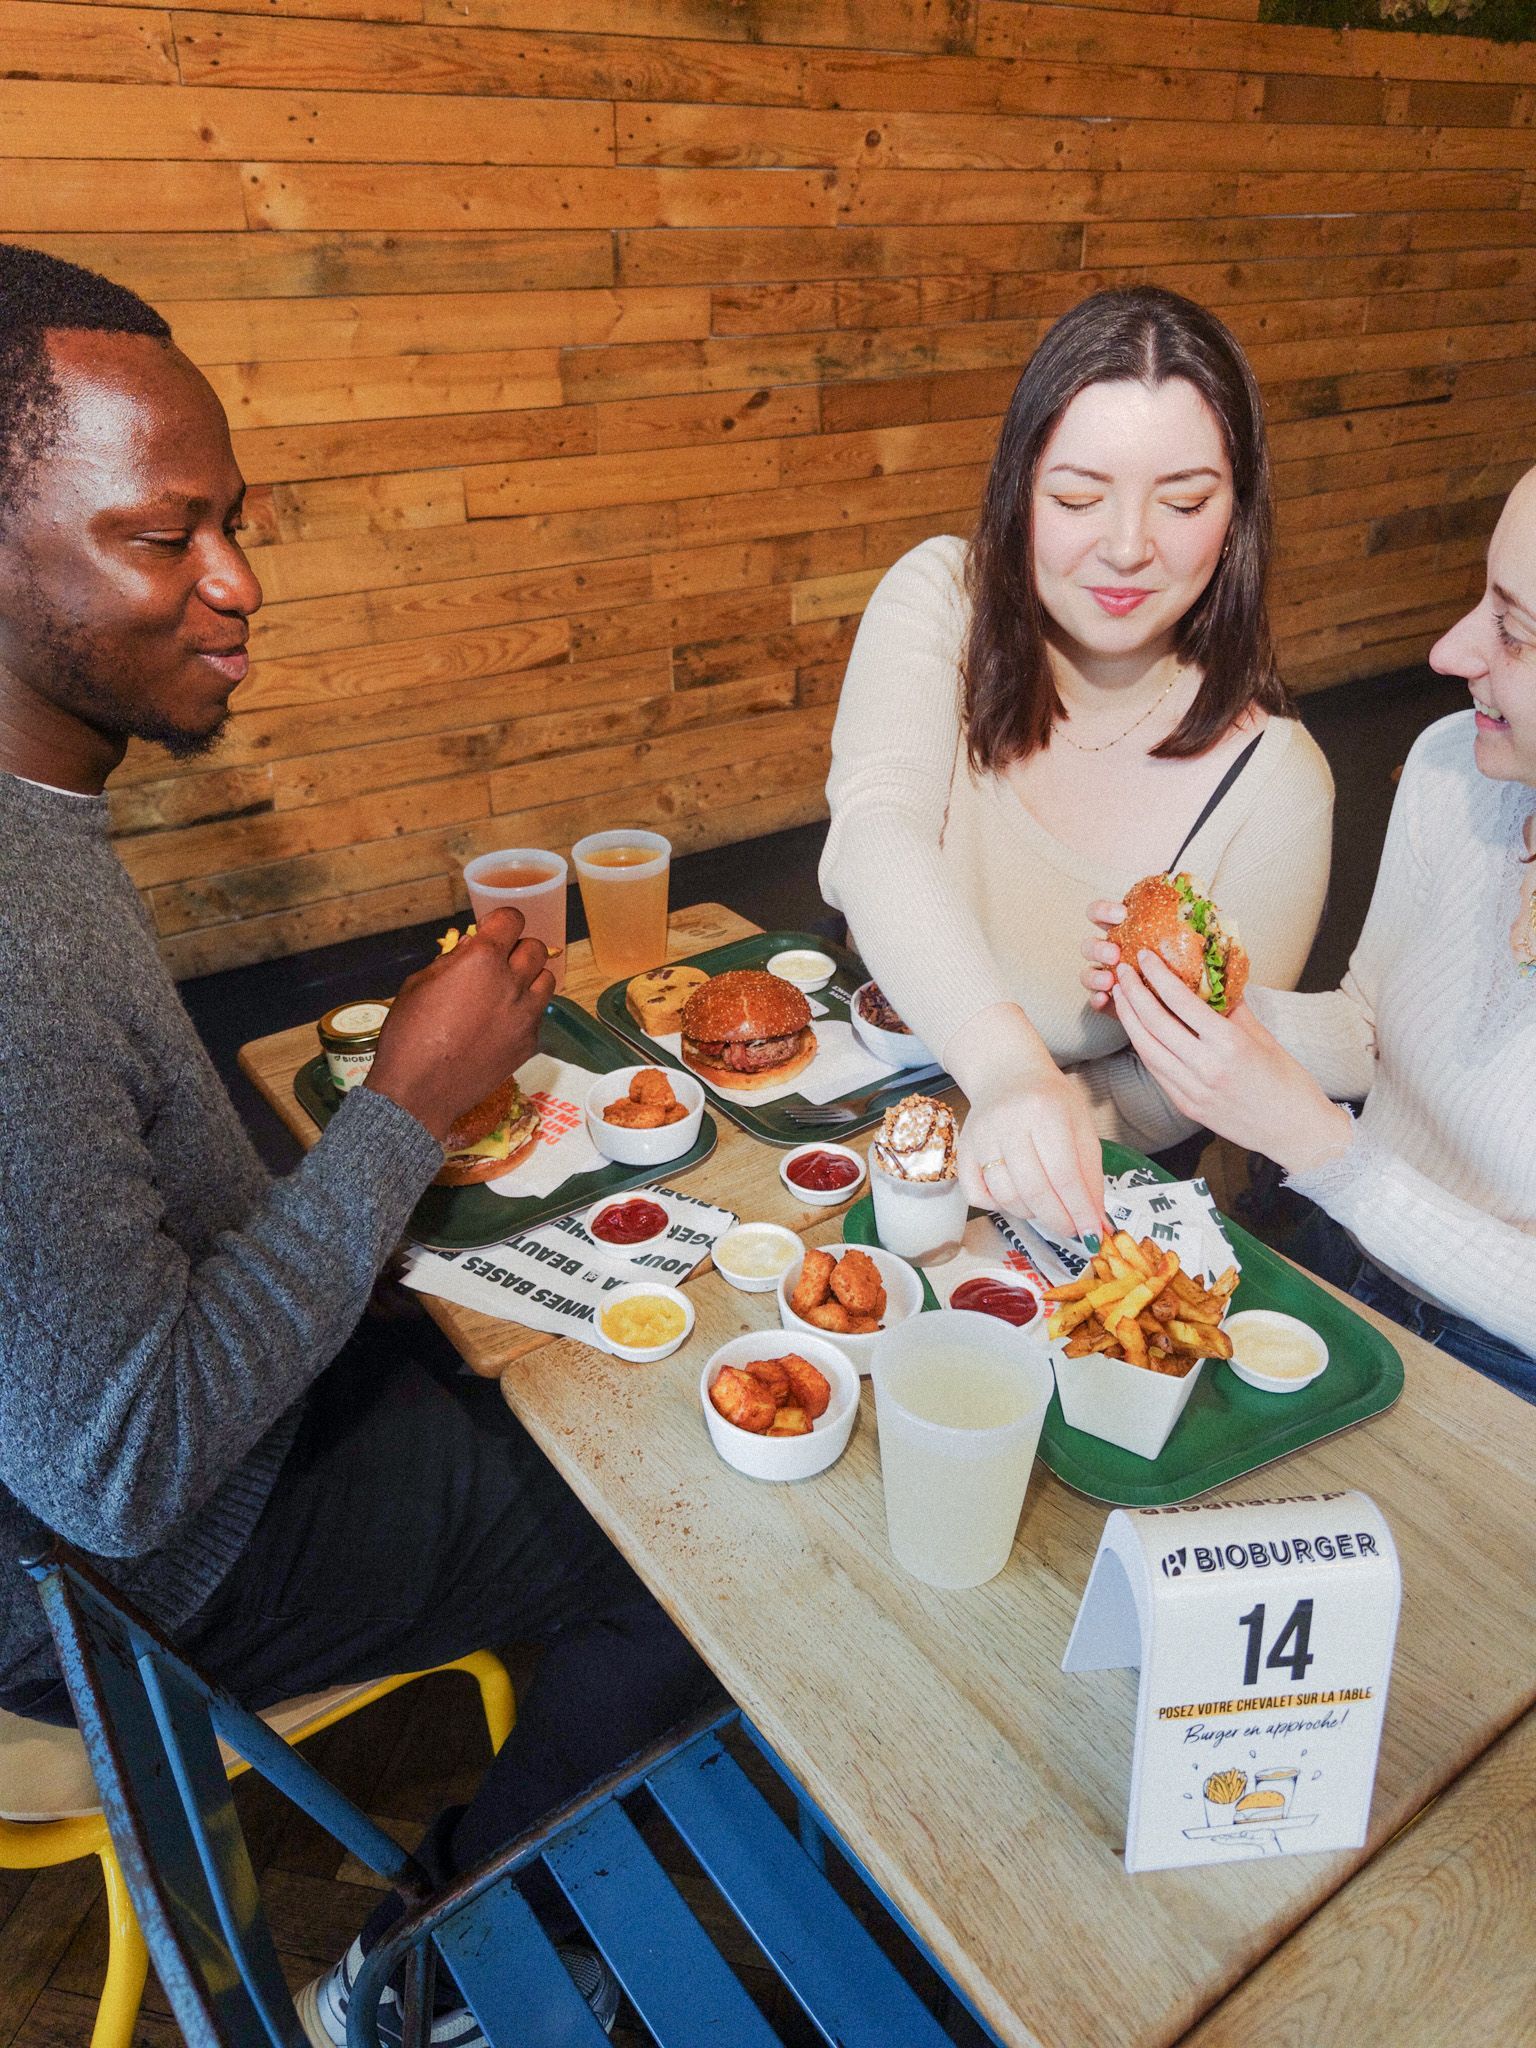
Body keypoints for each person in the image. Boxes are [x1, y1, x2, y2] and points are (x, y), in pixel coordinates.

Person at [0, 242, 715, 2046]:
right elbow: (125, 1460)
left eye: (237, 522)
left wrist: (396, 1174)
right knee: (693, 1529)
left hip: (117, 1501)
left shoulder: (39, 831)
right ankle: (444, 1964)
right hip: (115, 1587)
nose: (239, 585)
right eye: (165, 540)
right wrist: (400, 1107)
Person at [820, 286, 1334, 1241]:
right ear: (1018, 488)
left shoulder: (1277, 781)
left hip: (1085, 1199)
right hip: (847, 1122)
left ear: (1238, 514)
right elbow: (875, 835)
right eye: (1076, 497)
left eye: (1183, 501)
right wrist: (1010, 1072)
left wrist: (1009, 1140)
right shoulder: (943, 597)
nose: (1129, 547)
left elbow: (1182, 1089)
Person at [1083, 466, 1536, 1402]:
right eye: (1481, 600)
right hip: (1345, 1253)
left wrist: (1326, 1150)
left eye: (1516, 632)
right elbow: (1372, 1030)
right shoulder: (1460, 766)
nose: (1451, 652)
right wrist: (1199, 1006)